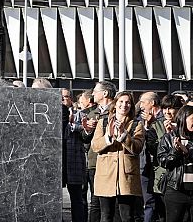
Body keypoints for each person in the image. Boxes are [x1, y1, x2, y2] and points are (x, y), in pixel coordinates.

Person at [91, 90, 145, 222]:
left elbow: (137, 148)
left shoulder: (137, 124)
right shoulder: (103, 122)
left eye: (128, 102)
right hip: (105, 176)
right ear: (115, 104)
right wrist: (108, 137)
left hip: (127, 177)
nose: (124, 105)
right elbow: (95, 146)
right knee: (106, 216)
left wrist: (123, 135)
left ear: (131, 106)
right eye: (121, 102)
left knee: (127, 217)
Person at [82, 81, 116, 222]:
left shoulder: (116, 110)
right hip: (94, 162)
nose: (93, 94)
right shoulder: (92, 113)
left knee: (110, 203)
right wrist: (87, 129)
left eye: (95, 91)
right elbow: (85, 139)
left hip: (111, 161)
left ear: (105, 93)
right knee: (95, 202)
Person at [157, 104, 193, 222]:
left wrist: (187, 151)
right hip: (176, 190)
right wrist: (176, 151)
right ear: (183, 118)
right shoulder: (168, 138)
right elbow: (163, 162)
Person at [138, 92, 165, 222]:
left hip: (161, 167)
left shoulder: (166, 118)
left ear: (152, 103)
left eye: (143, 102)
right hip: (144, 164)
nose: (141, 105)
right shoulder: (140, 119)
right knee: (149, 201)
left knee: (161, 203)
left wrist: (153, 124)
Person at [62, 89, 87, 222]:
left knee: (77, 198)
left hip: (74, 161)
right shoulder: (50, 114)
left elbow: (84, 128)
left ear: (71, 99)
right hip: (59, 161)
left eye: (66, 97)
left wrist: (71, 125)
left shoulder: (79, 114)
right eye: (60, 97)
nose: (63, 99)